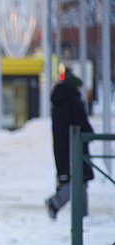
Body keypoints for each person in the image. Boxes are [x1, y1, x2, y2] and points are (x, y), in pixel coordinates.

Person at [47, 68, 95, 219]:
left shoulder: (59, 101)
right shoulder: (73, 100)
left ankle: (82, 215)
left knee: (78, 178)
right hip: (74, 144)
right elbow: (81, 121)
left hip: (63, 145)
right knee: (78, 179)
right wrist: (89, 133)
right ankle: (56, 203)